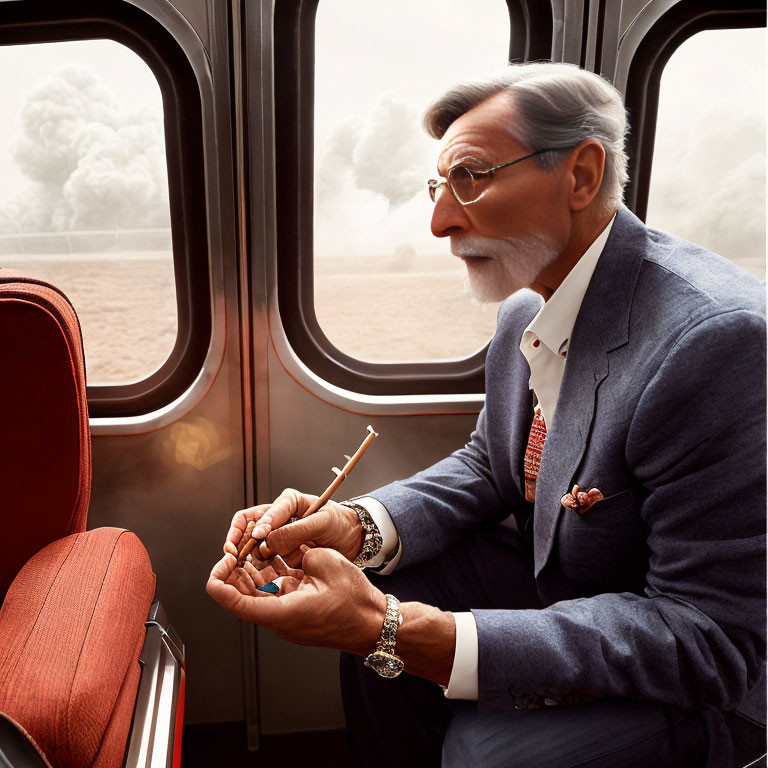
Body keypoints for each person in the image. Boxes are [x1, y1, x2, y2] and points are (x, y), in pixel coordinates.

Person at [206, 62, 766, 767]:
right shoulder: (528, 309)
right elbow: (493, 465)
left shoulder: (715, 342)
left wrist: (404, 633)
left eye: (470, 177)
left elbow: (711, 638)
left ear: (582, 176)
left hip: (708, 681)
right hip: (575, 585)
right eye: (438, 187)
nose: (440, 220)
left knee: (485, 751)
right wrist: (355, 526)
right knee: (377, 593)